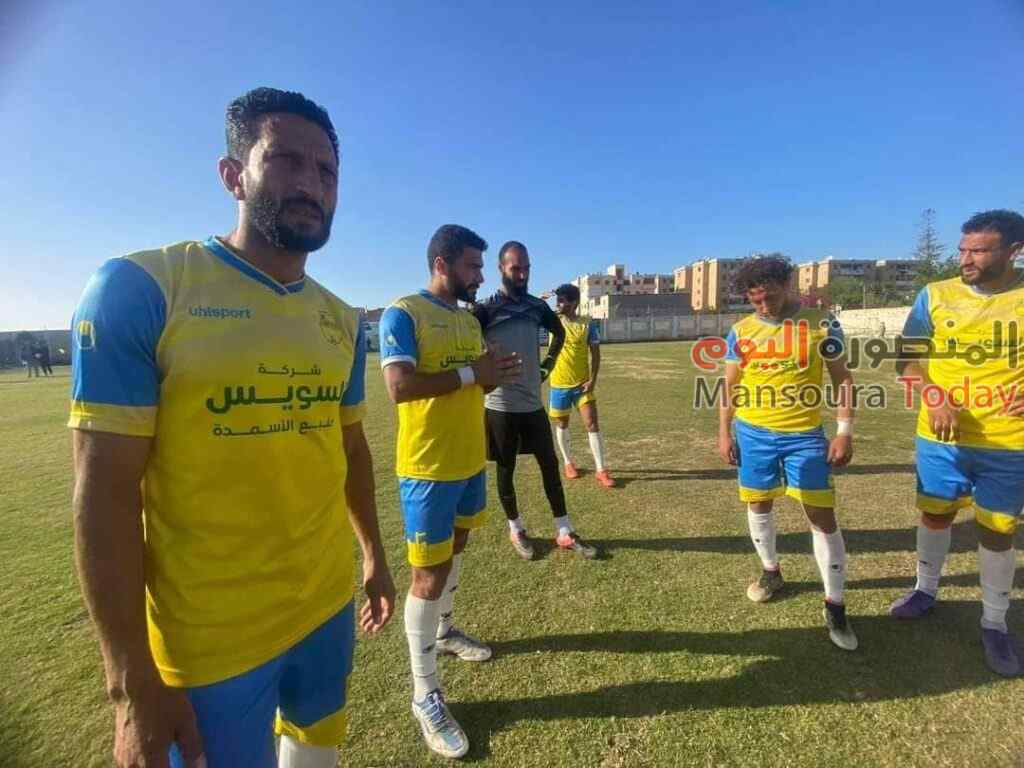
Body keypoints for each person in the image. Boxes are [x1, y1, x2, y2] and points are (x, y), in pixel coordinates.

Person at [69, 87, 395, 768]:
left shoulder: (342, 319)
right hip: (207, 644)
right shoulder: (143, 289)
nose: (311, 184)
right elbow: (103, 496)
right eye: (285, 160)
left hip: (325, 609)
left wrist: (373, 556)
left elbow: (350, 448)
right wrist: (129, 686)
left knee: (316, 751)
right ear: (232, 175)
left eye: (327, 171)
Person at [379, 224, 522, 759]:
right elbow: (399, 387)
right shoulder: (403, 314)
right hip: (427, 469)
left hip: (468, 461)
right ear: (441, 263)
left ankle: (444, 632)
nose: (480, 276)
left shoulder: (466, 319)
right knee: (427, 575)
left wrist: (494, 373)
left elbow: (478, 379)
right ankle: (425, 694)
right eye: (472, 266)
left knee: (456, 552)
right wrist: (471, 373)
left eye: (481, 267)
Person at [888, 209, 1024, 677]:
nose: (965, 259)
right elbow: (906, 359)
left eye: (979, 250)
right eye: (962, 249)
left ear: (1014, 251)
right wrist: (932, 394)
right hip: (940, 438)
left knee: (998, 530)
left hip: (1008, 441)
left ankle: (994, 623)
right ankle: (925, 590)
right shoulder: (935, 294)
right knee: (934, 514)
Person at [717, 256, 858, 651]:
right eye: (756, 300)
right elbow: (730, 385)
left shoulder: (822, 323)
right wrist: (724, 433)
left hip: (804, 436)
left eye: (771, 296)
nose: (765, 306)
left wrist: (844, 432)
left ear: (787, 285)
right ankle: (771, 571)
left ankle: (835, 605)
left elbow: (843, 379)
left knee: (821, 517)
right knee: (758, 503)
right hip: (752, 434)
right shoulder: (740, 331)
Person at [472, 241, 598, 561]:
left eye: (526, 267)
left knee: (550, 466)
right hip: (499, 406)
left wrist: (546, 366)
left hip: (532, 404)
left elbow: (559, 334)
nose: (523, 274)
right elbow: (468, 342)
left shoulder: (535, 307)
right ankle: (516, 528)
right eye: (516, 268)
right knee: (506, 468)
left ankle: (564, 530)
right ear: (501, 268)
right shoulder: (485, 309)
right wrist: (484, 364)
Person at [545, 283, 614, 487]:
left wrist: (593, 379)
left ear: (574, 303)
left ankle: (601, 470)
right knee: (562, 424)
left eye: (562, 300)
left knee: (592, 423)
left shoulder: (587, 324)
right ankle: (568, 463)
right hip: (558, 384)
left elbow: (596, 354)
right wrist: (543, 298)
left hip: (582, 385)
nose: (558, 304)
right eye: (557, 300)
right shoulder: (552, 321)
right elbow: (531, 312)